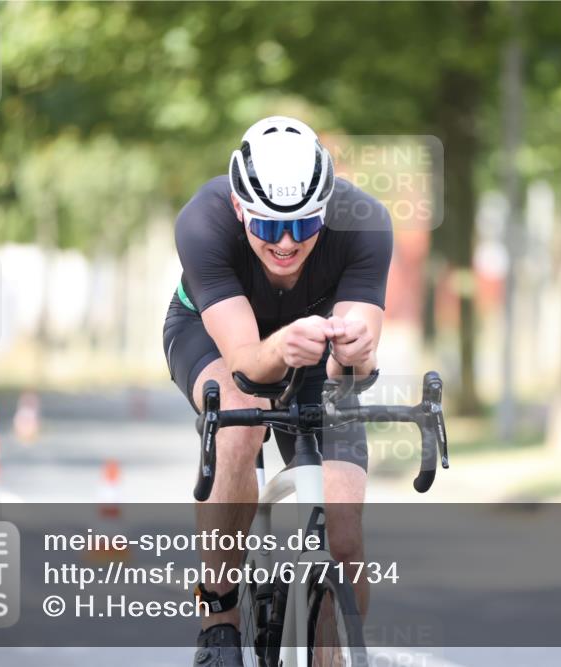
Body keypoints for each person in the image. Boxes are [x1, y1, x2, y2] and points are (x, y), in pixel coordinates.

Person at [162, 116, 393, 665]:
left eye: (304, 225)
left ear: (327, 207)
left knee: (345, 531)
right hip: (217, 338)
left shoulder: (366, 224)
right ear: (241, 209)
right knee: (241, 425)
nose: (286, 243)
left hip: (314, 349)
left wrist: (355, 353)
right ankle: (219, 618)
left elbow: (351, 375)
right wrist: (284, 343)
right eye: (268, 228)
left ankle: (330, 655)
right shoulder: (203, 221)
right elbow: (246, 364)